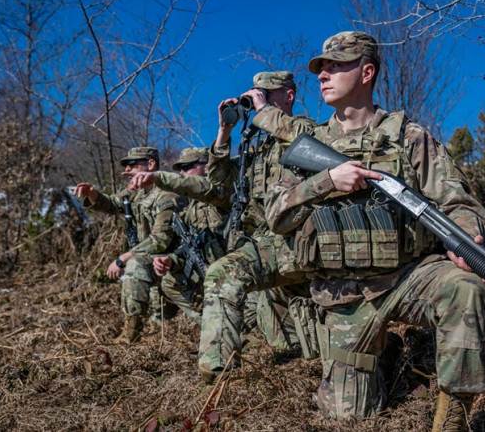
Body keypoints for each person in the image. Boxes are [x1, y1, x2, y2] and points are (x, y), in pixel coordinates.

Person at [256, 32, 485, 430]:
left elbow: (457, 201)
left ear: (367, 72)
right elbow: (276, 215)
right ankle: (384, 351)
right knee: (349, 416)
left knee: (465, 289)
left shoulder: (408, 137)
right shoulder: (308, 144)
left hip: (407, 277)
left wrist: (469, 236)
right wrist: (327, 181)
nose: (323, 75)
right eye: (321, 68)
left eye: (336, 66)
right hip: (343, 295)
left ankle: (453, 416)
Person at [130, 71, 316, 383]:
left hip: (298, 241)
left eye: (266, 94)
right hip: (266, 245)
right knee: (288, 342)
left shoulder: (305, 130)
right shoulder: (257, 149)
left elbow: (305, 140)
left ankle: (217, 375)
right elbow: (217, 185)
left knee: (222, 275)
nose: (258, 99)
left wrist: (263, 111)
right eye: (255, 94)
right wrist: (224, 132)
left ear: (289, 96)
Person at [74, 146, 179, 343]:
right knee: (161, 318)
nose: (127, 170)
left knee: (134, 266)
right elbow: (112, 203)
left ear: (151, 164)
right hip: (152, 258)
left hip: (173, 259)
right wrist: (92, 193)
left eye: (132, 164)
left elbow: (160, 239)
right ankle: (149, 326)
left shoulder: (167, 194)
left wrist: (124, 258)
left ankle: (131, 334)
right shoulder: (138, 193)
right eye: (126, 166)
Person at [147, 147, 225, 323]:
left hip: (231, 269)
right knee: (169, 281)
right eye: (180, 169)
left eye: (188, 166)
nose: (183, 173)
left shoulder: (223, 193)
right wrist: (170, 260)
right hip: (207, 269)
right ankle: (209, 322)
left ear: (207, 166)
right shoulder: (189, 207)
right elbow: (190, 248)